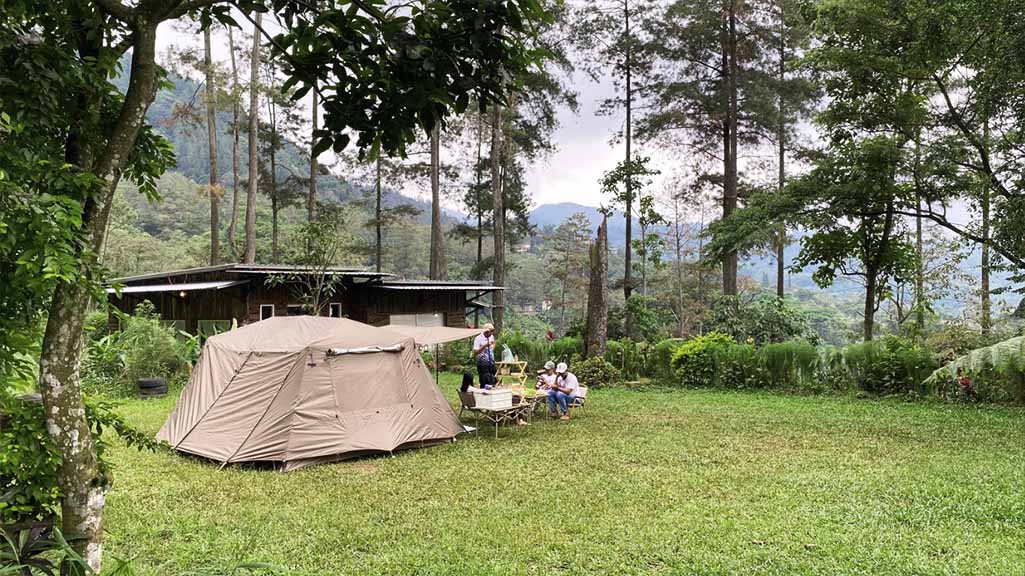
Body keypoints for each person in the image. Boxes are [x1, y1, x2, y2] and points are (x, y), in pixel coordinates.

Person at [473, 323, 497, 389]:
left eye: (492, 331)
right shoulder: (478, 338)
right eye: (490, 332)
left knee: (493, 379)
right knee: (484, 381)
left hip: (491, 361)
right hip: (482, 363)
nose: (491, 334)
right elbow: (475, 352)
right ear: (485, 331)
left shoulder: (491, 337)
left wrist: (492, 348)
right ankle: (483, 395)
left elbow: (494, 342)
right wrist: (485, 346)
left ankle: (491, 395)